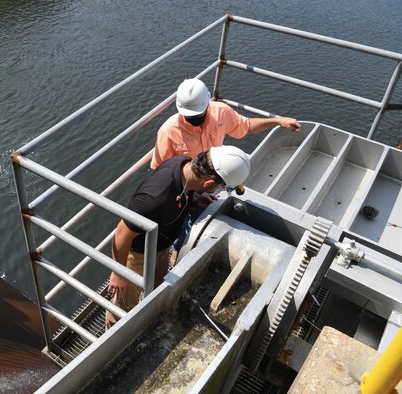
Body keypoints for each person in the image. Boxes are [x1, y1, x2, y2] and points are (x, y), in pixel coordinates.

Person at [105, 145, 251, 329]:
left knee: (158, 288)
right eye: (220, 187)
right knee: (124, 305)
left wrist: (195, 201)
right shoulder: (154, 198)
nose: (218, 191)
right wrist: (119, 273)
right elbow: (122, 233)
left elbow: (183, 194)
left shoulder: (184, 166)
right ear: (208, 183)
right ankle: (113, 337)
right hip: (138, 255)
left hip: (161, 246)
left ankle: (148, 318)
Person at [150, 78, 302, 169]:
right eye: (190, 116)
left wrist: (278, 121)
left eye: (198, 115)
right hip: (186, 183)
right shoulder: (168, 131)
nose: (195, 119)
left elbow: (247, 126)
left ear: (208, 105)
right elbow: (160, 169)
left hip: (214, 171)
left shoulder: (220, 112)